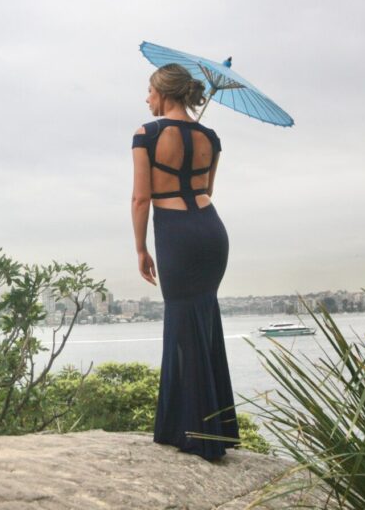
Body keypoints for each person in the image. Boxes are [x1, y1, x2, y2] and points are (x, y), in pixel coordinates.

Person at [131, 63, 239, 460]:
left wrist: (141, 249)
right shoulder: (211, 137)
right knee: (202, 321)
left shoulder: (147, 134)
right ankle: (213, 430)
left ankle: (192, 433)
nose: (146, 98)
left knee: (181, 324)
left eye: (149, 90)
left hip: (176, 233)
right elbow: (206, 187)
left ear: (164, 92)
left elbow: (141, 198)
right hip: (211, 231)